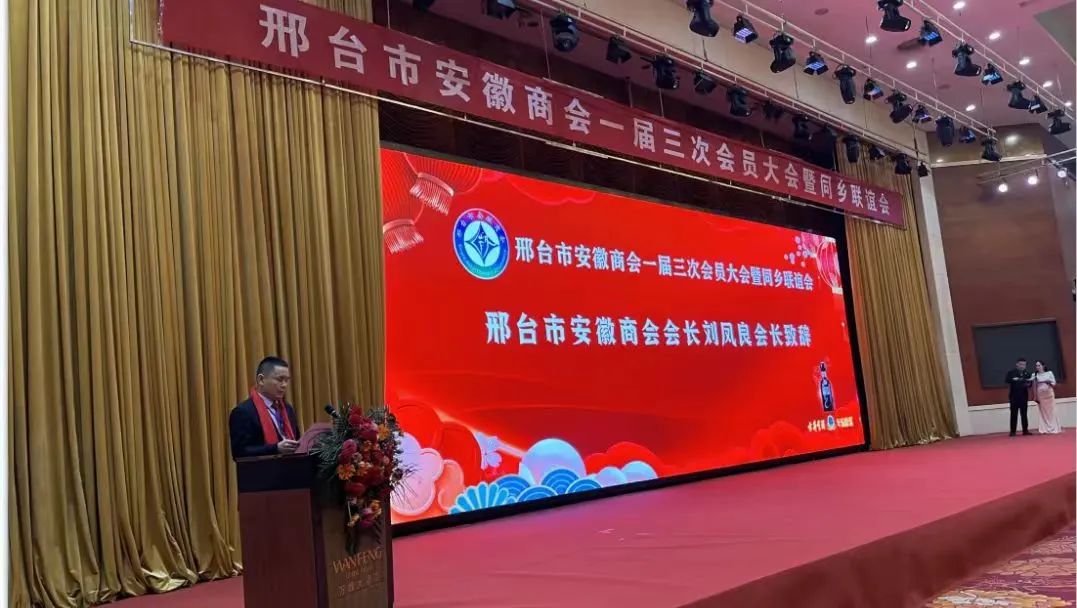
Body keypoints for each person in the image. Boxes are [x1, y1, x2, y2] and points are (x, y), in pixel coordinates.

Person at [229, 356, 301, 459]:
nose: (284, 385)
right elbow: (239, 452)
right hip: (262, 468)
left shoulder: (288, 409)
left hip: (291, 466)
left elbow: (297, 440)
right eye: (280, 379)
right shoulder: (243, 412)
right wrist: (275, 448)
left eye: (286, 380)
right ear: (261, 380)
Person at [1004, 358, 1033, 436]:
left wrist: (1028, 384)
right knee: (1014, 414)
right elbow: (1007, 380)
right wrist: (1014, 379)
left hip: (1024, 396)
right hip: (1014, 396)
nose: (1022, 366)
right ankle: (1013, 431)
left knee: (1024, 414)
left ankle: (1025, 430)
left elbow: (1030, 384)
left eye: (1024, 365)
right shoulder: (1011, 372)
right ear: (1017, 364)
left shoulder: (1027, 373)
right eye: (1021, 364)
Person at [1032, 360, 1061, 435]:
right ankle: (1045, 428)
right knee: (1043, 412)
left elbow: (1054, 384)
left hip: (1049, 394)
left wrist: (1049, 382)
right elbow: (1034, 386)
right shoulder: (1034, 375)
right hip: (1040, 395)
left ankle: (1054, 428)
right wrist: (1035, 396)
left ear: (1043, 366)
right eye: (1036, 366)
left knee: (1052, 411)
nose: (1037, 367)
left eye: (1039, 365)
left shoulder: (1049, 373)